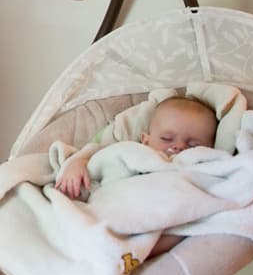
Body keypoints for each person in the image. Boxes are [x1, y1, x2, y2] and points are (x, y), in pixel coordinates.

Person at [54, 95, 219, 256]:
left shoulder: (200, 168)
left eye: (192, 145)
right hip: (109, 208)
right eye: (167, 138)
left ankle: (135, 248)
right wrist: (77, 164)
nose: (178, 146)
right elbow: (98, 162)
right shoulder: (130, 151)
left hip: (159, 216)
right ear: (145, 140)